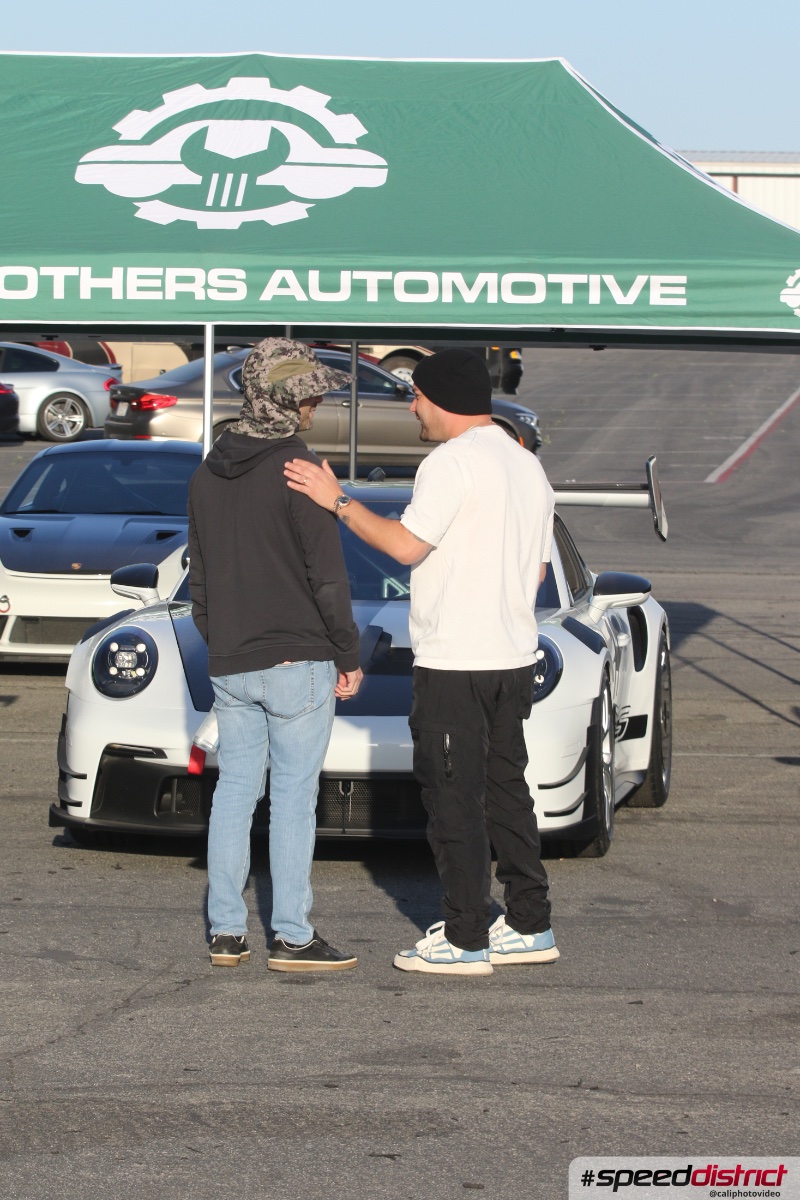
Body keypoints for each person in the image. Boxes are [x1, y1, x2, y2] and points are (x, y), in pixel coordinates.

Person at [284, 348, 559, 976]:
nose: (412, 409)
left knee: (452, 797)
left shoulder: (450, 463)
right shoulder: (526, 466)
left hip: (456, 659)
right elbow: (538, 569)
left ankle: (466, 938)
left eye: (416, 398)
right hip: (512, 655)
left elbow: (406, 546)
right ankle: (529, 922)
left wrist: (338, 501)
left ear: (442, 400)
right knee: (505, 790)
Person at [188, 337, 363, 971]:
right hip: (299, 658)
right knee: (293, 796)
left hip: (232, 658)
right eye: (312, 391)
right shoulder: (301, 469)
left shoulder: (208, 471)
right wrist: (347, 650)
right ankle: (291, 935)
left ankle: (226, 932)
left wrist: (222, 638)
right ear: (292, 399)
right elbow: (326, 575)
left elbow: (199, 577)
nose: (318, 399)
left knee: (235, 791)